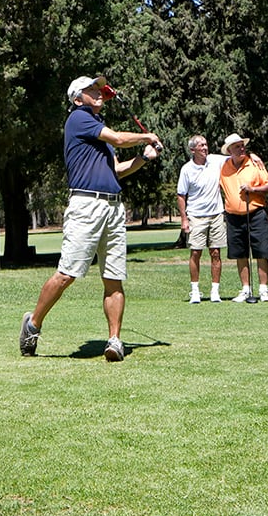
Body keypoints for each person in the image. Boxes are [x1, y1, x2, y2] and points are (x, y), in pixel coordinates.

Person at [19, 75, 162, 362]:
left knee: (114, 278)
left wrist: (144, 158)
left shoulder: (98, 133)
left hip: (113, 208)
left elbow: (117, 170)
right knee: (67, 274)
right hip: (86, 205)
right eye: (91, 89)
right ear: (77, 98)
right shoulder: (78, 119)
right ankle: (33, 324)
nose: (97, 92)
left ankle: (114, 341)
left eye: (98, 89)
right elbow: (120, 139)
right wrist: (147, 136)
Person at [218, 133, 268, 303]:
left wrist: (252, 189)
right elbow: (203, 156)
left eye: (242, 145)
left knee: (261, 252)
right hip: (233, 217)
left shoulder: (254, 163)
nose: (242, 148)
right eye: (237, 146)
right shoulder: (223, 166)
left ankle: (264, 290)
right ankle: (245, 289)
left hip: (256, 213)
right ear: (229, 150)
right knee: (240, 254)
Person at [176, 136, 229, 303]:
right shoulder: (186, 169)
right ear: (193, 150)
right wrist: (184, 219)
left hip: (216, 214)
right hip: (196, 216)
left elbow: (234, 156)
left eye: (206, 144)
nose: (205, 148)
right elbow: (181, 195)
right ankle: (195, 291)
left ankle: (215, 291)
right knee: (196, 253)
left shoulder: (214, 160)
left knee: (215, 253)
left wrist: (253, 156)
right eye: (201, 146)